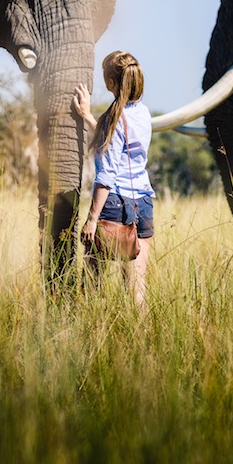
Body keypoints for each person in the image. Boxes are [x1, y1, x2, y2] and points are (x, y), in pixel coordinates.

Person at [72, 51, 156, 308]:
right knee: (136, 286)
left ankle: (93, 332)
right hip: (142, 202)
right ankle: (140, 341)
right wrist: (88, 117)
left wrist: (92, 219)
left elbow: (106, 176)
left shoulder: (113, 118)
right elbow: (116, 139)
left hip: (114, 204)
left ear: (110, 82)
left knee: (91, 279)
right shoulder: (143, 114)